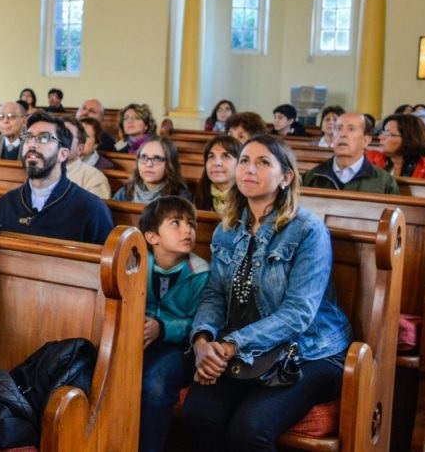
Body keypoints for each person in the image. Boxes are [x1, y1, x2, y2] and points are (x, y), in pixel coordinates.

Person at [184, 135, 352, 450]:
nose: (250, 169)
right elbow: (214, 295)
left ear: (286, 177)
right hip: (245, 347)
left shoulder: (307, 231)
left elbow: (298, 314)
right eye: (245, 161)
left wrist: (231, 345)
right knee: (199, 414)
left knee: (250, 430)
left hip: (308, 351)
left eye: (263, 163)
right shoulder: (227, 229)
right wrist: (203, 340)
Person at [136, 196, 209, 452]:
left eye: (191, 224)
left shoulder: (200, 272)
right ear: (152, 237)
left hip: (182, 349)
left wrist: (162, 327)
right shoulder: (138, 266)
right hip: (142, 341)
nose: (187, 230)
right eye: (176, 223)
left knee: (156, 385)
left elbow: (201, 323)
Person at [0, 112, 113, 244]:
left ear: (63, 154)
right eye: (28, 137)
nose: (32, 144)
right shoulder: (5, 204)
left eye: (44, 138)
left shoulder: (92, 209)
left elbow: (105, 262)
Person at [302, 112, 399, 194]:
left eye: (351, 129)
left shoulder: (384, 182)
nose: (342, 134)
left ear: (365, 140)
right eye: (338, 129)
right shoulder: (313, 176)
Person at [366, 114, 425, 180]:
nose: (380, 137)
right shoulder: (370, 158)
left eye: (388, 133)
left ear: (408, 139)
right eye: (383, 132)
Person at [112, 136, 191, 203]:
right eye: (144, 157)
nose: (149, 164)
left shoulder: (180, 198)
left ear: (170, 164)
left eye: (157, 159)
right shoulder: (126, 191)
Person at [60, 116, 110, 199]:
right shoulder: (37, 170)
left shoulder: (94, 179)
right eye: (57, 135)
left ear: (80, 148)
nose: (61, 141)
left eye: (69, 136)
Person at [194, 135, 241, 214]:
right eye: (211, 156)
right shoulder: (198, 197)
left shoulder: (249, 201)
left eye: (225, 156)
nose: (217, 163)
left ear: (240, 163)